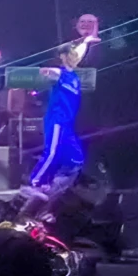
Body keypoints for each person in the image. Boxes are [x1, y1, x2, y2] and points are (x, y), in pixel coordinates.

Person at [29, 43, 86, 189]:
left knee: (77, 157)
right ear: (63, 57)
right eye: (71, 54)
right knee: (52, 152)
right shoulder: (61, 73)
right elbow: (50, 72)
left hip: (68, 123)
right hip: (57, 120)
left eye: (75, 55)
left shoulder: (73, 76)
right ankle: (35, 181)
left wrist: (86, 42)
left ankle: (56, 181)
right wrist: (46, 72)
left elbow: (78, 53)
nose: (75, 57)